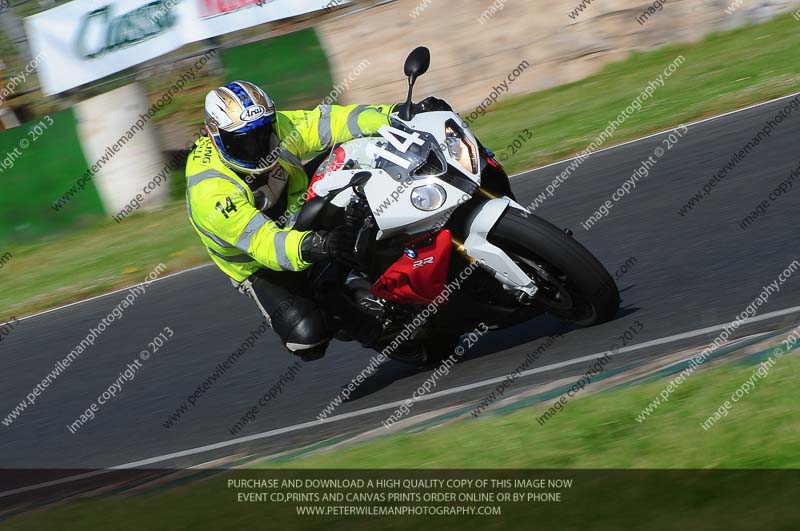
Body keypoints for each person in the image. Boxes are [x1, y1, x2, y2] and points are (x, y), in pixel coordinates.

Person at [185, 80, 451, 361]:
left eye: (264, 133)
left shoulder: (277, 127)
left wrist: (393, 114)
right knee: (308, 336)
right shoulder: (211, 193)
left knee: (355, 160)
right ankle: (367, 327)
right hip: (258, 263)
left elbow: (330, 121)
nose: (260, 146)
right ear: (216, 138)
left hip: (297, 208)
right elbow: (266, 245)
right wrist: (319, 244)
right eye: (245, 142)